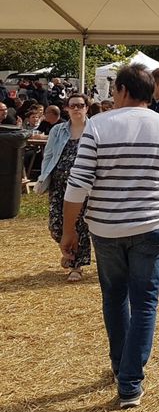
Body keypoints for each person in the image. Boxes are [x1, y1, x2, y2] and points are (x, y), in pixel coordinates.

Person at [60, 63, 159, 408]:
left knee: (114, 297)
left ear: (121, 90)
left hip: (105, 227)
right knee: (145, 301)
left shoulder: (98, 126)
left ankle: (123, 368)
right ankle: (130, 380)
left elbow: (77, 185)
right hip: (150, 226)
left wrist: (69, 230)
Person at [40, 93, 91, 282]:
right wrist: (43, 178)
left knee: (80, 224)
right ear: (66, 109)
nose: (76, 109)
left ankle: (76, 265)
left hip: (84, 185)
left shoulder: (94, 129)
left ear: (86, 107)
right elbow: (49, 155)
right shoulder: (58, 130)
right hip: (58, 184)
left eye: (80, 105)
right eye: (73, 106)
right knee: (55, 225)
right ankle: (68, 250)